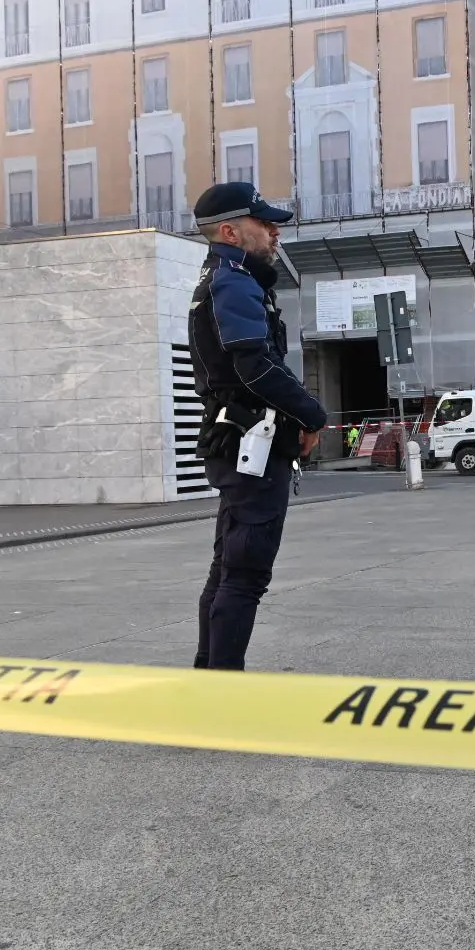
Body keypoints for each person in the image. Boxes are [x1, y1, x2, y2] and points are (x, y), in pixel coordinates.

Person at [188, 182, 327, 671]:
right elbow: (255, 366)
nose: (274, 233)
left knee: (228, 570)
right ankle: (224, 687)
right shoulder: (233, 283)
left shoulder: (227, 279)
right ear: (230, 231)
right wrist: (312, 415)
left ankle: (210, 679)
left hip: (238, 441)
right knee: (244, 576)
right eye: (264, 223)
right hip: (252, 444)